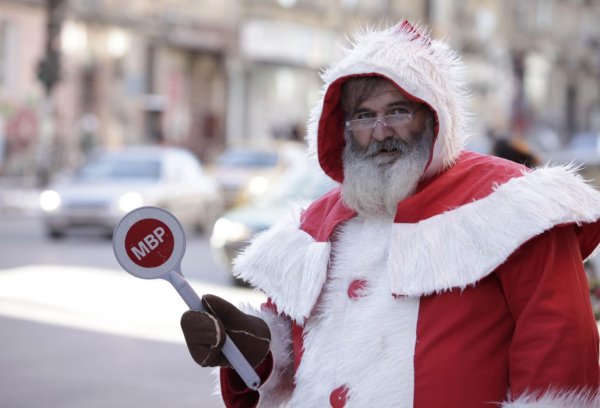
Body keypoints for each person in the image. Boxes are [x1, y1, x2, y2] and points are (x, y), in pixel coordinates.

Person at [180, 21, 600, 407]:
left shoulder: (513, 205)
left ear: (435, 117)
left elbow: (560, 364)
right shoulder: (317, 225)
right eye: (363, 116)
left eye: (398, 110)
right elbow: (289, 359)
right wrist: (249, 346)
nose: (380, 131)